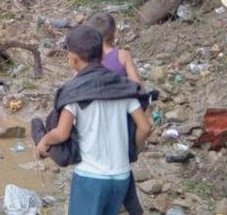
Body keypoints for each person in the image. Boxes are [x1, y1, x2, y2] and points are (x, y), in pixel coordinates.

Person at [35, 25, 152, 215]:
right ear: (103, 55)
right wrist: (130, 151)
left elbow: (61, 133)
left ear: (73, 59)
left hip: (91, 178)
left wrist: (44, 142)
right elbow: (145, 128)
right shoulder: (124, 87)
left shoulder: (73, 91)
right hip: (121, 176)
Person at [86, 13, 142, 84]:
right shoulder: (122, 55)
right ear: (114, 34)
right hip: (119, 93)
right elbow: (137, 84)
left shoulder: (84, 56)